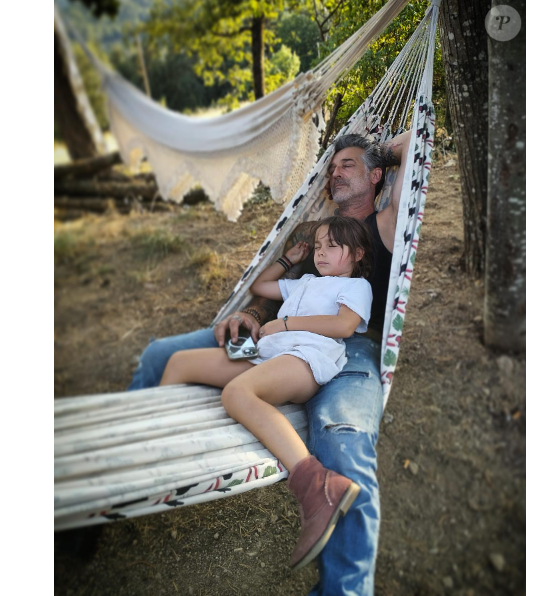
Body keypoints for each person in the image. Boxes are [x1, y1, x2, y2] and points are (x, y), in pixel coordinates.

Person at [129, 130, 412, 595]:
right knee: (165, 355)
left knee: (345, 441)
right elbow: (275, 292)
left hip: (344, 347)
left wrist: (386, 147)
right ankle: (134, 465)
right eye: (332, 165)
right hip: (271, 336)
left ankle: (343, 583)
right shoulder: (311, 233)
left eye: (349, 165)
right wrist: (251, 314)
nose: (335, 171)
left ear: (377, 176)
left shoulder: (382, 225)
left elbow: (412, 146)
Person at [159, 216, 374, 570]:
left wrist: (285, 324)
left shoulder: (355, 286)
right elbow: (261, 284)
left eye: (332, 247)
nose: (321, 253)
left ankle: (316, 486)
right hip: (266, 354)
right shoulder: (305, 281)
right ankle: (163, 445)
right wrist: (290, 259)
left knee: (236, 393)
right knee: (181, 362)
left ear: (357, 254)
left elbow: (342, 325)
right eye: (318, 246)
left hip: (305, 358)